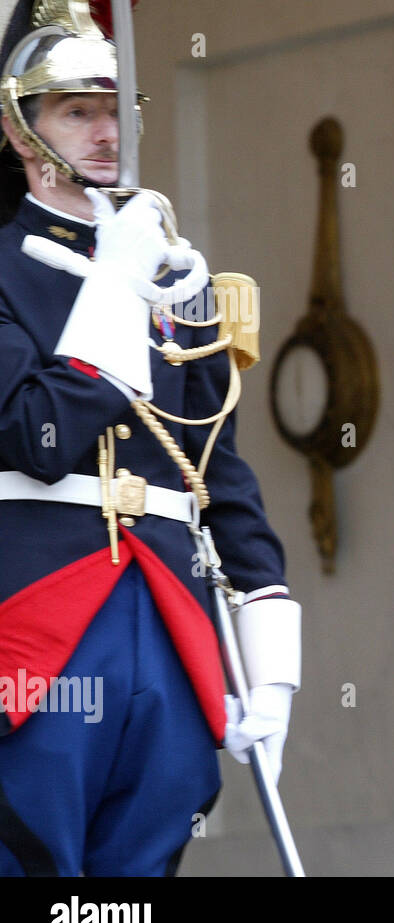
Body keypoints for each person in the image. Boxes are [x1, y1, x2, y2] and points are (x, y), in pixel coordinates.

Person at [0, 0, 300, 876]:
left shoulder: (177, 280)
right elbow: (36, 432)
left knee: (142, 875)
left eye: (114, 108)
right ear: (23, 130)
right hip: (38, 618)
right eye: (76, 110)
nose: (105, 131)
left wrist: (269, 660)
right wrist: (115, 291)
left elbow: (219, 472)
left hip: (168, 614)